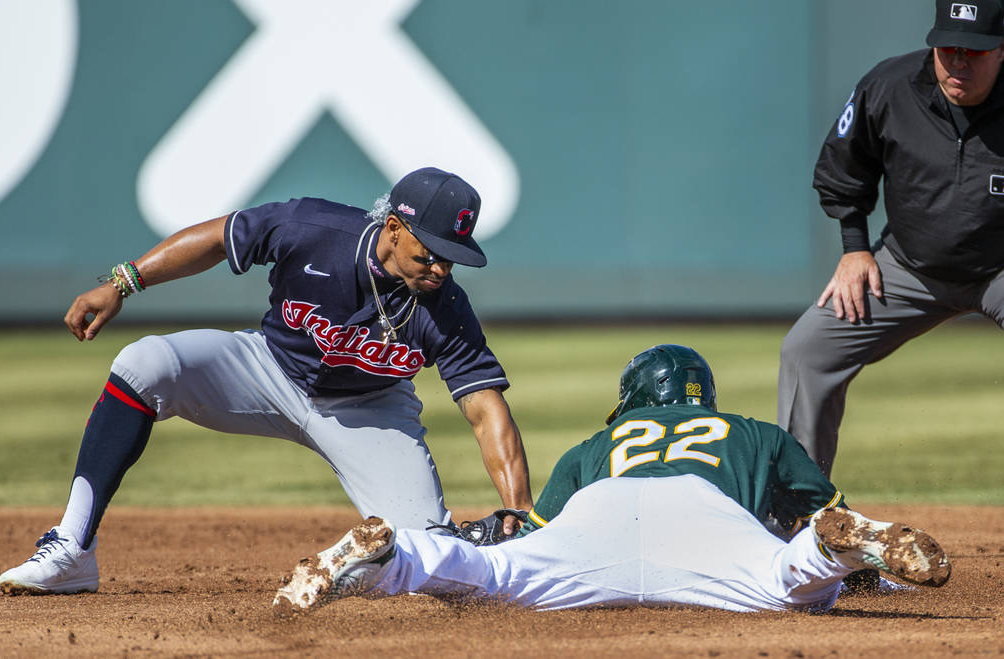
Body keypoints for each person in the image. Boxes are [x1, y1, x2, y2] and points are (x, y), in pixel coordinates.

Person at [0, 166, 533, 595]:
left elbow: (486, 410)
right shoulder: (316, 230)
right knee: (144, 364)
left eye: (452, 259)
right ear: (394, 229)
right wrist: (123, 281)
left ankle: (370, 569)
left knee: (427, 556)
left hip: (371, 409)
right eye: (430, 254)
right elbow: (215, 238)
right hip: (268, 370)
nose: (440, 270)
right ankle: (72, 548)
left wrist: (519, 510)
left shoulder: (447, 307)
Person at [272, 345, 951, 615]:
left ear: (631, 402)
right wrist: (861, 567)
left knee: (496, 576)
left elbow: (523, 535)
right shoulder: (753, 432)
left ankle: (395, 556)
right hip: (706, 524)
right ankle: (833, 548)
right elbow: (819, 503)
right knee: (788, 583)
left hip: (596, 515)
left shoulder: (597, 443)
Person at [778, 0, 1004, 476]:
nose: (960, 61)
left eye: (976, 51)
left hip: (999, 270)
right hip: (908, 269)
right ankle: (798, 508)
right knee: (807, 351)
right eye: (950, 48)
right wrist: (854, 248)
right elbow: (843, 168)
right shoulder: (889, 86)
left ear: (1002, 51)